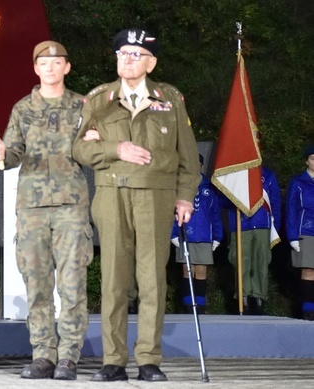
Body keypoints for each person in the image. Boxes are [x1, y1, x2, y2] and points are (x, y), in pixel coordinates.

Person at [72, 29, 200, 382]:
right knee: (114, 278)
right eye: (122, 54)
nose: (127, 59)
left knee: (152, 280)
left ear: (151, 62)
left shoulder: (170, 99)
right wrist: (116, 149)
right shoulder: (98, 99)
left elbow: (188, 157)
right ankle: (113, 361)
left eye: (135, 54)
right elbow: (79, 149)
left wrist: (185, 195)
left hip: (155, 197)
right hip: (112, 196)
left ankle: (148, 359)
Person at [0, 41, 93, 381]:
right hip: (32, 207)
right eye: (43, 62)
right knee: (36, 285)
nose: (50, 67)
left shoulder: (83, 106)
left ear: (67, 67)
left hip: (70, 206)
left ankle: (69, 356)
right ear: (35, 68)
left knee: (73, 284)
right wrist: (0, 153)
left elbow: (95, 151)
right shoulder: (23, 109)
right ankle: (43, 355)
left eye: (56, 62)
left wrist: (95, 137)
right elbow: (13, 156)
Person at [224, 166, 281, 315]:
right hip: (240, 224)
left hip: (262, 224)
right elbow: (222, 199)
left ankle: (258, 299)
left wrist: (276, 225)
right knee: (241, 262)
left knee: (261, 262)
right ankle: (243, 300)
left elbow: (275, 200)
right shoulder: (234, 173)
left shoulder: (267, 174)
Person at [170, 154, 223, 314]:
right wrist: (173, 234)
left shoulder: (210, 187)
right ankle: (188, 305)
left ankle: (200, 305)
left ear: (201, 166)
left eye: (197, 164)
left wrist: (217, 236)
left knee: (201, 271)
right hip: (185, 234)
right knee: (187, 270)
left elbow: (215, 214)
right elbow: (172, 212)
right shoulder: (180, 186)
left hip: (204, 236)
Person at [286, 144, 314, 320]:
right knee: (309, 271)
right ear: (307, 161)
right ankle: (308, 312)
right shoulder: (298, 182)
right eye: (313, 158)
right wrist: (292, 235)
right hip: (306, 230)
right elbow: (291, 209)